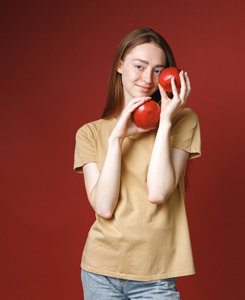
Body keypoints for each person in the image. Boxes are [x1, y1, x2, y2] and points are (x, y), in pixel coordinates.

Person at [73, 28, 201, 300]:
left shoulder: (182, 120)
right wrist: (116, 139)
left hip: (156, 276)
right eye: (139, 66)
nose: (147, 78)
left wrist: (164, 121)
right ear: (119, 65)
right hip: (101, 271)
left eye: (158, 70)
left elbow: (158, 192)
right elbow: (104, 207)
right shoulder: (90, 133)